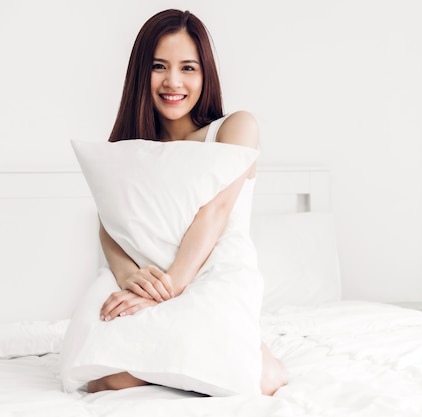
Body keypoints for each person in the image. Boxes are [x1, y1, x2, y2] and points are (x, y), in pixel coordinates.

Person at [85, 9, 287, 396]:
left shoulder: (234, 128)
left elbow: (216, 213)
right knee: (105, 380)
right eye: (159, 66)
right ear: (141, 73)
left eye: (188, 68)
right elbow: (108, 223)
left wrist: (170, 288)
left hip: (211, 278)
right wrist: (129, 277)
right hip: (151, 281)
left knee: (258, 380)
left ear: (205, 74)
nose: (173, 81)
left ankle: (243, 352)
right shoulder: (130, 149)